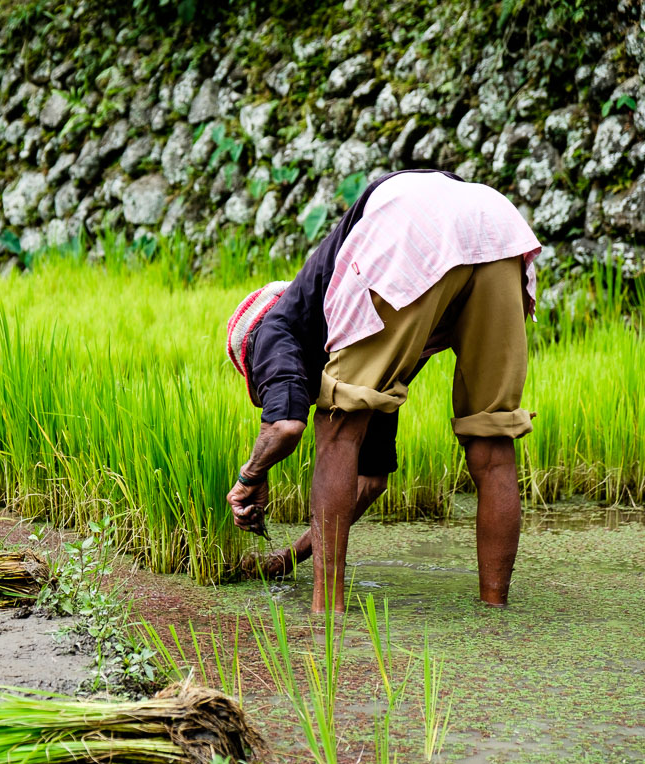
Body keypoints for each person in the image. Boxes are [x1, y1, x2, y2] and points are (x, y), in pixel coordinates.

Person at [225, 169, 541, 613]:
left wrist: (250, 478)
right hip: (494, 223)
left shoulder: (271, 328)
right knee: (491, 437)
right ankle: (495, 612)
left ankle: (325, 617)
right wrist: (288, 557)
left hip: (410, 227)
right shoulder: (362, 333)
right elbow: (369, 481)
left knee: (335, 427)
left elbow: (286, 425)